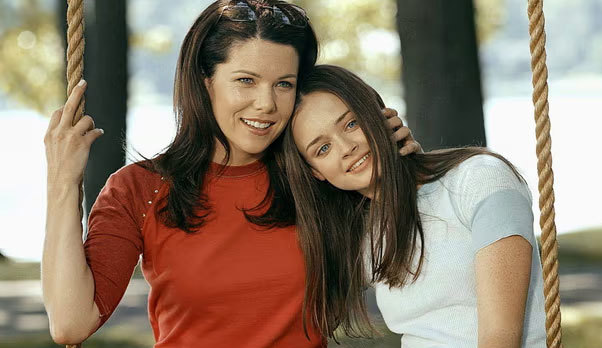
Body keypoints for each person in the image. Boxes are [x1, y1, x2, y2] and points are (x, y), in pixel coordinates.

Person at [42, 1, 416, 347]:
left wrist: (392, 163)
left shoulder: (316, 174)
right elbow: (70, 323)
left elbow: (423, 236)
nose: (266, 104)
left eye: (283, 84)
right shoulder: (140, 189)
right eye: (245, 81)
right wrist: (62, 181)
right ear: (206, 81)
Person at [282, 65, 547, 348]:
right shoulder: (362, 233)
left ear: (382, 115)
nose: (346, 147)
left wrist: (410, 173)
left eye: (351, 124)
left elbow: (501, 340)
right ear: (316, 172)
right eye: (322, 149)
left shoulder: (480, 179)